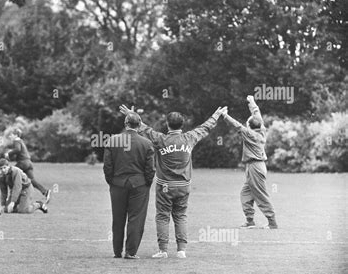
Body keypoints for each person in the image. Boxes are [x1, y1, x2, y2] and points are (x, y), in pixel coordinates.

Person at [119, 104, 227, 259]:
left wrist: (132, 115)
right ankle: (181, 250)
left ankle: (163, 251)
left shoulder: (160, 139)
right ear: (182, 125)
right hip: (184, 186)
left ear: (167, 124)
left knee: (163, 216)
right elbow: (205, 128)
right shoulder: (189, 138)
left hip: (165, 187)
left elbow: (144, 129)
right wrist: (216, 115)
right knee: (181, 216)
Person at [103, 112, 155, 259]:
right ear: (139, 126)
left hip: (118, 184)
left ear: (125, 124)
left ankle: (117, 251)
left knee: (117, 218)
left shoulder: (113, 141)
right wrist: (146, 183)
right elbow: (150, 169)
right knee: (136, 218)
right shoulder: (146, 143)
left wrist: (112, 181)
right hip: (139, 184)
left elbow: (107, 166)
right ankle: (131, 252)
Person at [222, 95, 278, 229]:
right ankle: (250, 220)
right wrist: (251, 102)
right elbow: (256, 113)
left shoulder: (250, 134)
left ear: (249, 126)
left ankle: (272, 221)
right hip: (254, 166)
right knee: (245, 193)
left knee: (260, 194)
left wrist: (225, 115)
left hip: (255, 167)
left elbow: (237, 126)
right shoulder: (261, 129)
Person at [5, 128, 51, 203]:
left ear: (16, 135)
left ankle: (11, 197)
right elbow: (19, 151)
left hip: (23, 163)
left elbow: (17, 149)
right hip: (28, 163)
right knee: (31, 180)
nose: (10, 136)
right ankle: (45, 192)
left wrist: (8, 153)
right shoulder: (21, 141)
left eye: (11, 135)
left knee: (9, 175)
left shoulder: (16, 141)